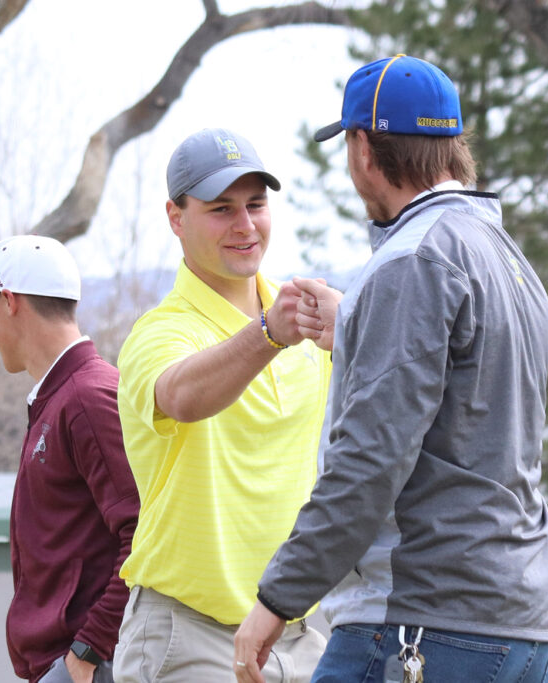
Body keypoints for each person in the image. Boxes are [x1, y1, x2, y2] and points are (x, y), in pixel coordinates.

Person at [234, 54, 548, 683]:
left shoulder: (411, 262)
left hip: (421, 627)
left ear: (362, 148)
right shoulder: (505, 257)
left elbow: (370, 459)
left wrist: (276, 600)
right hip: (520, 629)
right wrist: (357, 324)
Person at [111, 128, 333, 683]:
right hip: (188, 639)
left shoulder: (300, 314)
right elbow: (183, 396)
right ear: (175, 216)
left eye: (256, 204)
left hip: (299, 635)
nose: (245, 225)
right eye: (220, 208)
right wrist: (268, 334)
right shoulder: (160, 332)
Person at [0, 235, 140, 683]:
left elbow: (146, 530)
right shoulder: (62, 397)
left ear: (10, 301)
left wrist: (88, 650)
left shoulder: (87, 397)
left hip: (88, 663)